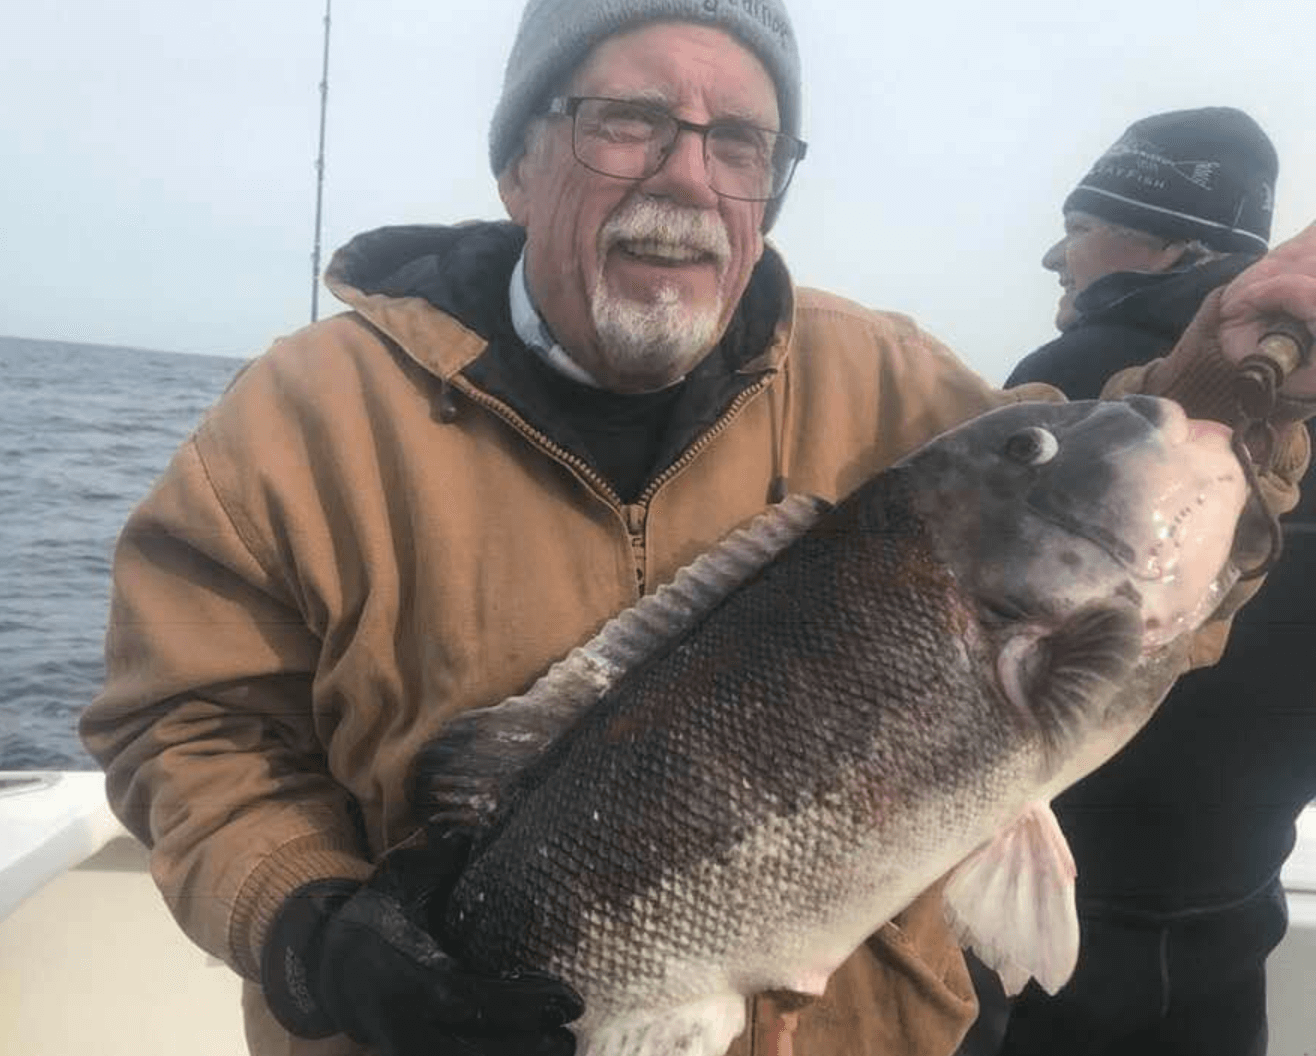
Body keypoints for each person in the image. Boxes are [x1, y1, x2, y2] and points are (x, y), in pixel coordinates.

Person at [77, 3, 1316, 1053]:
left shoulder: (889, 385)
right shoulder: (303, 419)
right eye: (628, 122)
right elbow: (182, 726)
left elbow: (1120, 552)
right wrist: (312, 928)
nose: (686, 176)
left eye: (740, 141)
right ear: (516, 162)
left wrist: (1216, 388)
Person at [961, 107, 1316, 1056]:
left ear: (1178, 249)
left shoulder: (1072, 389)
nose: (1055, 256)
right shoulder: (1301, 402)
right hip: (1234, 906)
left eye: (1081, 227)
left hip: (1045, 899)